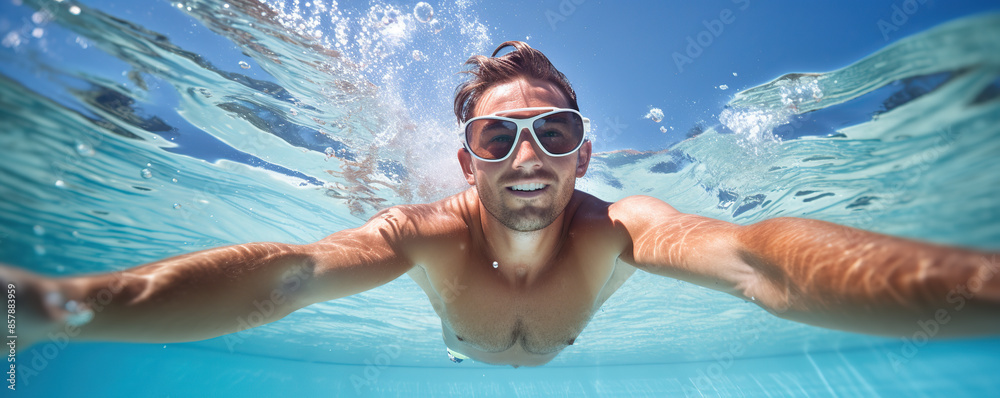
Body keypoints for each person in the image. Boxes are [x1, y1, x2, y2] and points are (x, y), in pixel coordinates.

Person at [3, 41, 999, 368]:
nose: (528, 155)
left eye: (554, 133)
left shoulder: (620, 227)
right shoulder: (424, 231)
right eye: (498, 136)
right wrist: (64, 302)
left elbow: (763, 260)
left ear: (585, 152)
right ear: (466, 158)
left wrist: (979, 287)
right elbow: (290, 276)